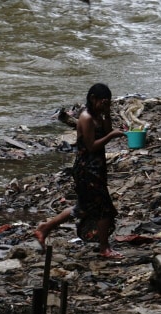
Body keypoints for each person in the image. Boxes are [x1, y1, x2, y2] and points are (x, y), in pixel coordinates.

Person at [35, 83, 126, 259]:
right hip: (87, 169)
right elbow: (91, 146)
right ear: (93, 99)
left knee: (83, 208)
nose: (105, 106)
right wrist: (111, 136)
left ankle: (44, 228)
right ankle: (104, 248)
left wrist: (107, 114)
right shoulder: (86, 117)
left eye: (108, 103)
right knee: (103, 209)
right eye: (103, 102)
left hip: (97, 168)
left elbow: (106, 130)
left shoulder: (98, 114)